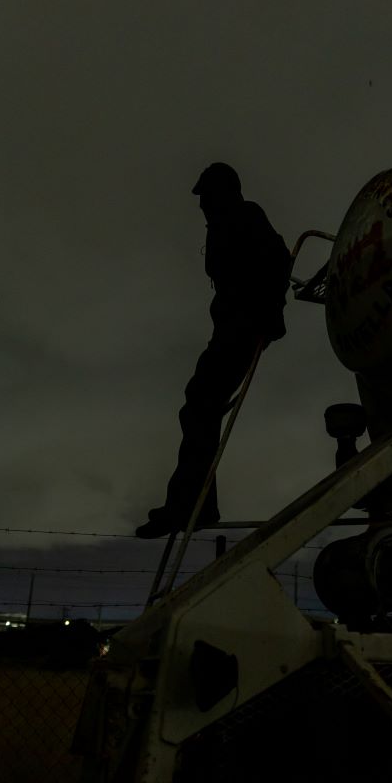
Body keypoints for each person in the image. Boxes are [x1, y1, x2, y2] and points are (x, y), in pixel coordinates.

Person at [136, 162, 291, 539]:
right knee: (199, 408)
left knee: (199, 406)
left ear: (223, 192)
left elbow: (279, 260)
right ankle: (195, 504)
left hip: (241, 328)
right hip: (230, 328)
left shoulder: (244, 216)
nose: (201, 204)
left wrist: (268, 313)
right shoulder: (226, 224)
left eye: (206, 195)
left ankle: (190, 505)